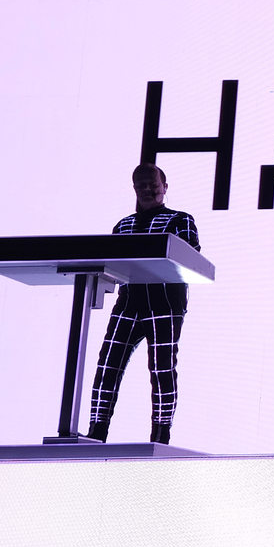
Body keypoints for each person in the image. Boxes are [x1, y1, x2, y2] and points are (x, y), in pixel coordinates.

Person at [87, 164, 200, 445]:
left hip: (164, 302)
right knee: (108, 364)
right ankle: (97, 431)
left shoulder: (181, 220)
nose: (148, 190)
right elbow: (111, 261)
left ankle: (160, 436)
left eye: (154, 184)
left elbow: (190, 255)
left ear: (165, 186)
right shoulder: (123, 225)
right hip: (129, 301)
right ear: (134, 189)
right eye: (142, 185)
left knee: (162, 368)